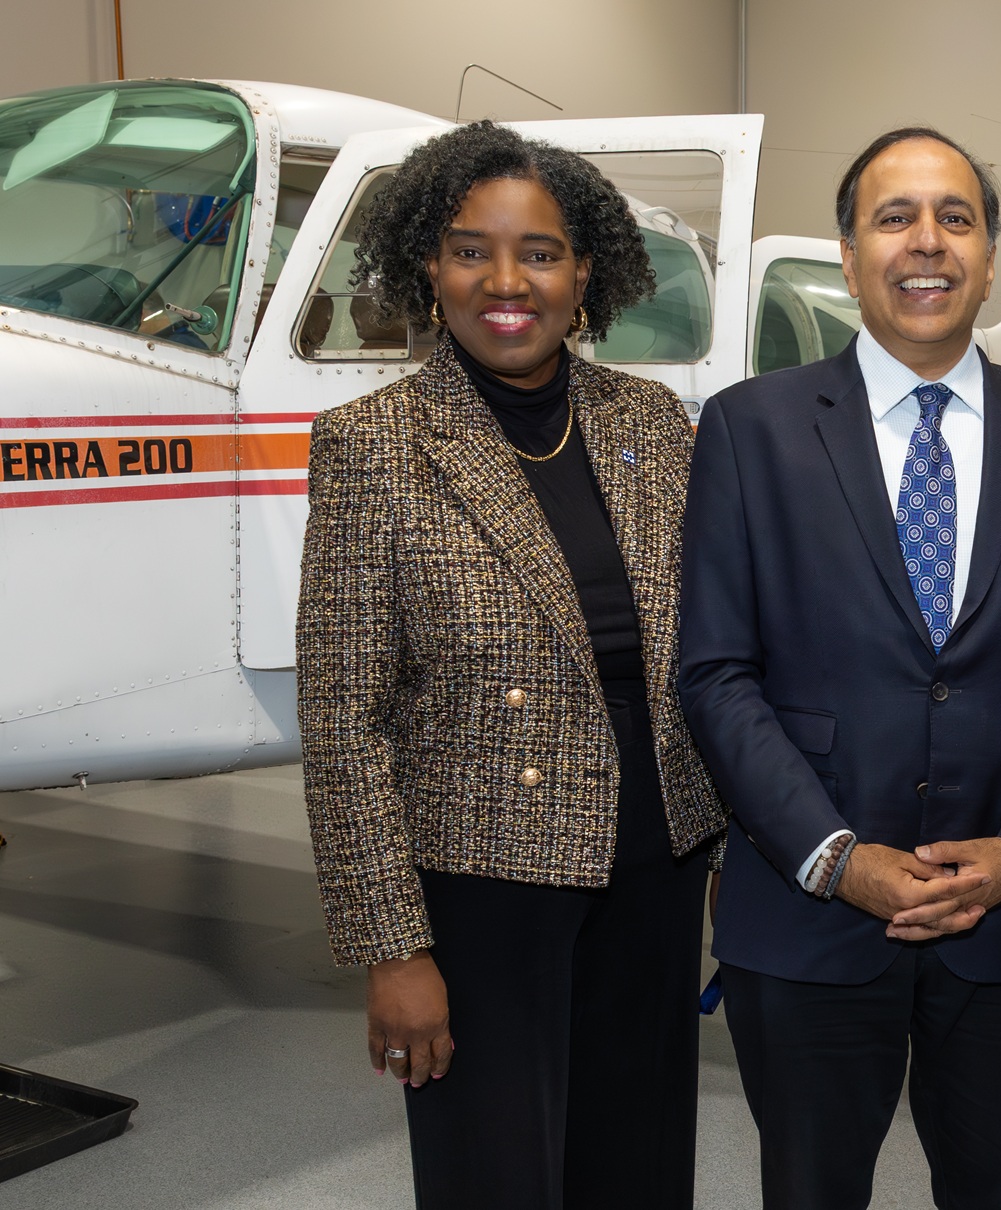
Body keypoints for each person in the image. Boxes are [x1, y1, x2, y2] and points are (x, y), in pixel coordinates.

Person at [679, 127, 1001, 1209]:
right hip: (808, 918)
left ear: (988, 258)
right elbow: (716, 673)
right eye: (894, 218)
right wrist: (836, 856)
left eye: (956, 218)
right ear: (848, 255)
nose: (925, 242)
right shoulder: (751, 431)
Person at [297, 120, 724, 1209]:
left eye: (538, 251)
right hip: (481, 896)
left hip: (657, 873)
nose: (505, 280)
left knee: (638, 1175)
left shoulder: (652, 424)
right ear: (424, 269)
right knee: (494, 1180)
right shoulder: (373, 444)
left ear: (585, 273)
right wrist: (394, 949)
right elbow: (346, 721)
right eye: (468, 248)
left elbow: (709, 655)